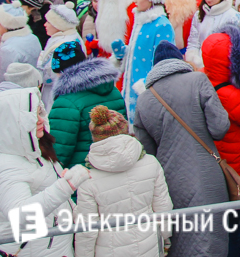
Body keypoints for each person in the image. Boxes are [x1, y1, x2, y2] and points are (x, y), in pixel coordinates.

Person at [134, 42, 231, 256]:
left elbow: (146, 152)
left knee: (181, 240)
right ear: (180, 60)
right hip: (206, 174)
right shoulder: (197, 80)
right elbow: (220, 127)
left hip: (168, 181)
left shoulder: (144, 99)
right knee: (211, 237)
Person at [0, 87, 90, 256]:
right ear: (11, 123)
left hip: (51, 248)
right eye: (32, 117)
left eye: (40, 113)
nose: (40, 120)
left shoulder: (33, 148)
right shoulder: (6, 167)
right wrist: (66, 186)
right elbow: (21, 216)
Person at [73, 106, 174, 256]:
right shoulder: (151, 163)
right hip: (148, 245)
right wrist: (165, 238)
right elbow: (163, 207)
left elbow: (87, 230)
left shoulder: (88, 180)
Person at [202, 24, 240, 253]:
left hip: (213, 164)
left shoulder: (203, 81)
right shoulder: (229, 94)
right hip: (233, 165)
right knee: (233, 225)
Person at [185, 0, 240, 68]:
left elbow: (235, 47)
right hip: (199, 65)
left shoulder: (233, 16)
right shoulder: (199, 14)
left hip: (221, 67)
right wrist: (193, 61)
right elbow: (193, 42)